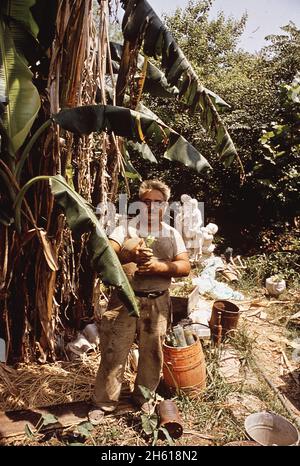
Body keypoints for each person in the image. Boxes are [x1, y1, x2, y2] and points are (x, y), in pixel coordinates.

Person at [89, 180, 190, 424]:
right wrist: (129, 253)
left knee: (152, 353)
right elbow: (105, 252)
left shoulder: (172, 233)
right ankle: (104, 403)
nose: (152, 207)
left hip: (157, 302)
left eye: (158, 202)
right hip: (124, 300)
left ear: (165, 206)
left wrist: (160, 266)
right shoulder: (126, 229)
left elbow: (185, 267)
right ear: (139, 204)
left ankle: (144, 396)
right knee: (114, 351)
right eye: (146, 201)